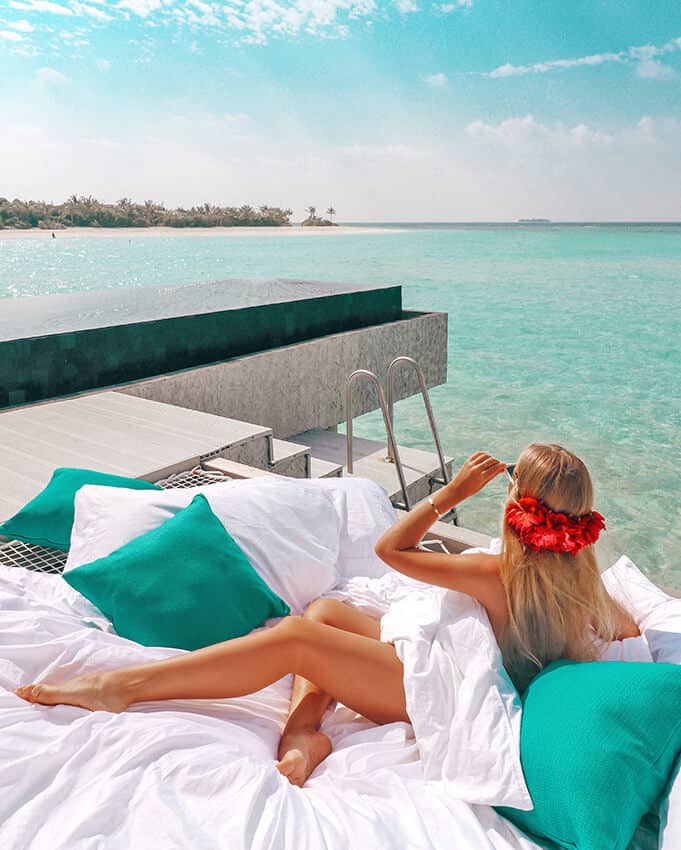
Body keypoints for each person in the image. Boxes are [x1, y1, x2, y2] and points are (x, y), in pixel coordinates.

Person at [15, 444, 639, 787]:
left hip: (428, 690)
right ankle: (304, 732)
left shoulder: (491, 571)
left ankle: (120, 687)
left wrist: (450, 495)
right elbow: (630, 633)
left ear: (516, 506)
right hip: (451, 669)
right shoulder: (585, 585)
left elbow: (390, 550)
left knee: (294, 637)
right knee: (328, 608)